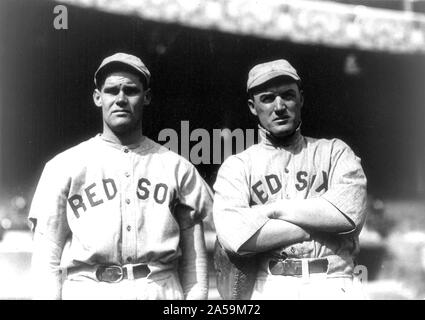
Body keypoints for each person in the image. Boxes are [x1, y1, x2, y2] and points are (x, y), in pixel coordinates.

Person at [28, 52, 212, 300]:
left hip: (158, 289)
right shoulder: (63, 166)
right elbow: (46, 259)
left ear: (146, 97)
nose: (121, 99)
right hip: (89, 289)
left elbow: (195, 264)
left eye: (131, 91)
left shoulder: (177, 167)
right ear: (98, 97)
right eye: (112, 91)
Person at [213, 59, 368, 299]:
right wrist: (313, 226)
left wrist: (273, 210)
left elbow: (349, 215)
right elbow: (235, 238)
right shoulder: (238, 166)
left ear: (301, 99)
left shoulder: (335, 152)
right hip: (273, 285)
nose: (279, 107)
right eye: (267, 98)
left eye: (287, 95)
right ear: (252, 107)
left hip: (334, 283)